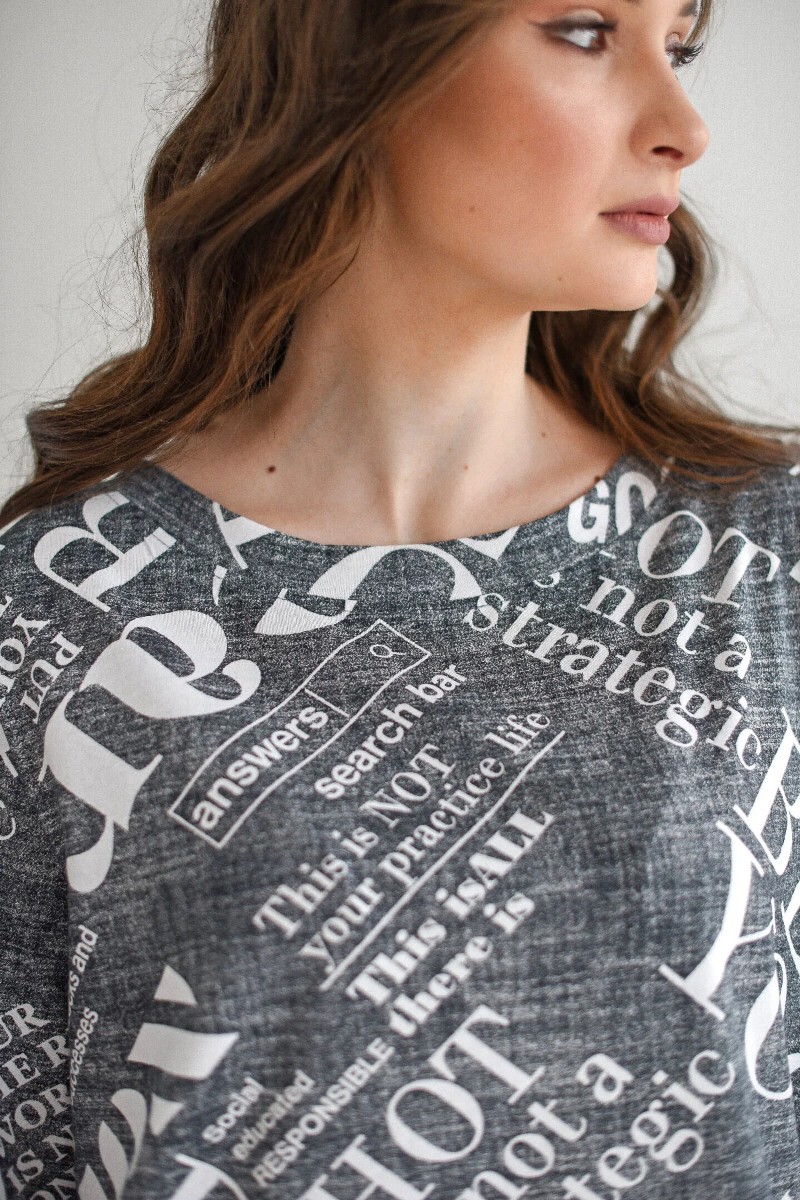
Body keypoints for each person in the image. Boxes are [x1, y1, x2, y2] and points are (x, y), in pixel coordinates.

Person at [1, 0, 798, 1195]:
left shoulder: (763, 560)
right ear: (359, 53)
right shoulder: (52, 604)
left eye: (675, 47)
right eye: (585, 31)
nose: (682, 125)